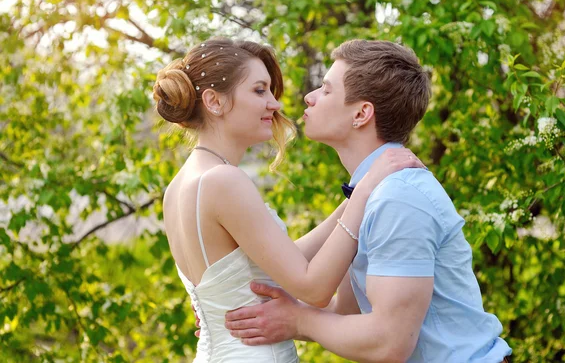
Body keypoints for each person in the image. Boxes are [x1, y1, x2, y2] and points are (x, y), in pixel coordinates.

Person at [223, 40, 513, 363]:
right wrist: (247, 309)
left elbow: (388, 342)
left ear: (361, 114)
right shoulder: (371, 194)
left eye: (326, 89)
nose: (310, 96)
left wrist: (297, 320)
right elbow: (344, 311)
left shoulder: (399, 198)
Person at [153, 38, 424, 363]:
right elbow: (312, 288)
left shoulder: (181, 184)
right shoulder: (224, 180)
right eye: (259, 90)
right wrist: (365, 193)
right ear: (214, 101)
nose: (275, 104)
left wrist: (357, 192)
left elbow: (280, 261)